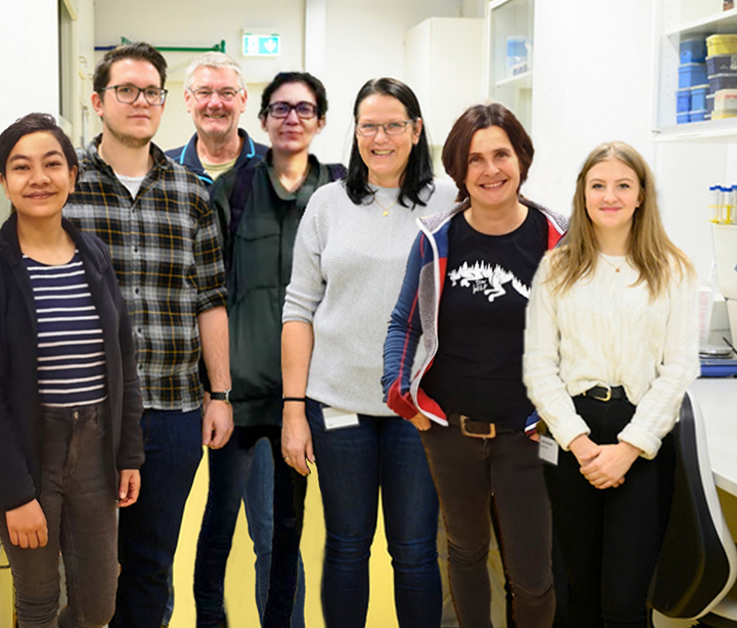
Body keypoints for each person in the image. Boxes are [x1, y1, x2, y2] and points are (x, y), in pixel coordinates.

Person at [63, 42, 233, 628]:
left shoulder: (192, 195)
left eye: (151, 93)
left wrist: (220, 394)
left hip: (170, 412)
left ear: (165, 103)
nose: (141, 102)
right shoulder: (61, 189)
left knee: (150, 566)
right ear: (98, 101)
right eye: (126, 91)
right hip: (80, 413)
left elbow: (210, 300)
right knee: (81, 566)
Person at [0, 112, 145, 628]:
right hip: (29, 451)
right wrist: (17, 495)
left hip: (95, 446)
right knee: (38, 602)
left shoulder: (94, 254)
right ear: (3, 181)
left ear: (72, 174)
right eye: (21, 167)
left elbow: (121, 361)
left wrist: (127, 452)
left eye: (52, 164)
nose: (38, 178)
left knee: (98, 602)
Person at [382, 102, 566, 628]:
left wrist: (556, 417)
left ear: (521, 159)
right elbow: (405, 322)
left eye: (501, 155)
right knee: (463, 554)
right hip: (451, 431)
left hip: (528, 435)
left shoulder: (558, 238)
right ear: (458, 170)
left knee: (531, 575)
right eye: (475, 159)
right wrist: (404, 399)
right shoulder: (437, 237)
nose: (490, 170)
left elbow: (582, 335)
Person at [281, 77, 455, 628]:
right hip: (337, 404)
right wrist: (292, 408)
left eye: (393, 125)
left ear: (416, 129)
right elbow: (298, 309)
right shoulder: (327, 204)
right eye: (368, 126)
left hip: (419, 410)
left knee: (414, 552)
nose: (380, 137)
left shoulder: (450, 202)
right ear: (354, 132)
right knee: (348, 545)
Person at [523, 141, 699, 628]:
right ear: (583, 195)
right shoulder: (557, 269)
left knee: (624, 601)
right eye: (598, 185)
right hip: (569, 433)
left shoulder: (672, 270)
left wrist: (628, 448)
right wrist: (579, 444)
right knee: (572, 591)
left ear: (641, 195)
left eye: (623, 185)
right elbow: (539, 367)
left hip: (639, 437)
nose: (610, 196)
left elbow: (679, 368)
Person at [195, 71, 337, 628]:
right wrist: (216, 388)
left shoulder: (338, 190)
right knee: (219, 522)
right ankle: (212, 620)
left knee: (285, 530)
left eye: (304, 109)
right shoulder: (233, 189)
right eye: (280, 109)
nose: (292, 118)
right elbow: (209, 291)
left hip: (307, 396)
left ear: (321, 121)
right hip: (240, 387)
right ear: (263, 120)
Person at [165, 51, 268, 185]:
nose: (215, 103)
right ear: (188, 100)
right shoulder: (165, 169)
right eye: (204, 93)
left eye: (226, 93)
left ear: (243, 100)